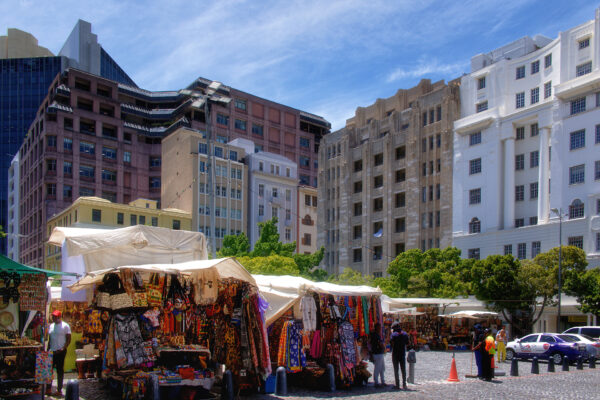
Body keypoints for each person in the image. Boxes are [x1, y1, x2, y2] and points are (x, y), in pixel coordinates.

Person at [48, 310, 71, 396]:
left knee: (59, 370)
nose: (53, 318)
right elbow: (50, 339)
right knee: (49, 371)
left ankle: (59, 389)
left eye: (55, 317)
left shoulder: (65, 326)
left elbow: (69, 339)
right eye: (53, 317)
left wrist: (63, 348)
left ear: (59, 317)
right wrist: (48, 349)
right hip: (52, 351)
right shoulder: (51, 326)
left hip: (60, 351)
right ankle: (48, 388)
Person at [390, 322, 410, 390]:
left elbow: (391, 343)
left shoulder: (393, 334)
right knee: (403, 369)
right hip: (402, 353)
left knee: (396, 370)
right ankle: (404, 384)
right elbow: (407, 343)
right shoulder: (405, 334)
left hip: (395, 354)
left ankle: (397, 384)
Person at [370, 322, 386, 387]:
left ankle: (383, 381)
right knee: (377, 368)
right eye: (379, 327)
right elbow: (379, 344)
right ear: (377, 328)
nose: (380, 329)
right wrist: (383, 346)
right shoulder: (375, 335)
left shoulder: (377, 335)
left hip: (379, 353)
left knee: (382, 368)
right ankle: (376, 382)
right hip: (377, 353)